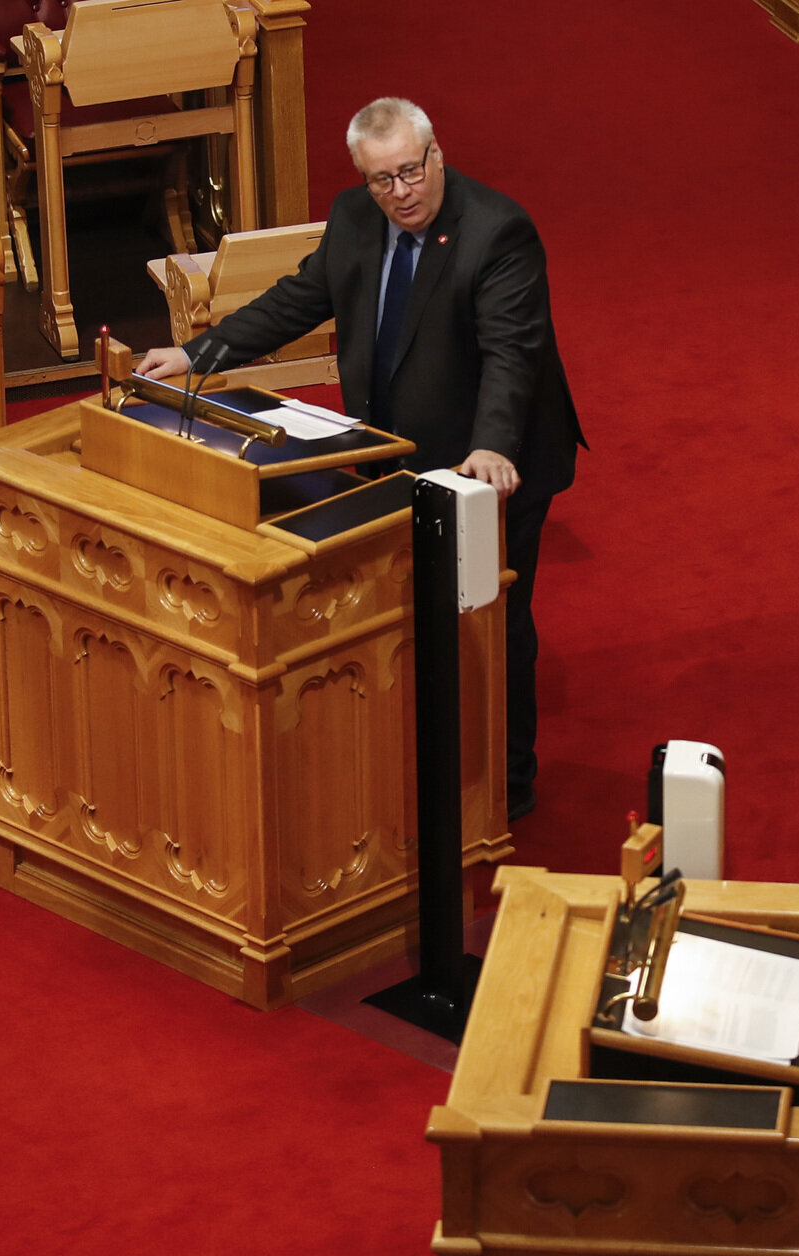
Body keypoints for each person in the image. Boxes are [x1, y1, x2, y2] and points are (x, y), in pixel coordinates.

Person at [135, 97, 583, 820]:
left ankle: (507, 780)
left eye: (411, 172)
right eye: (383, 180)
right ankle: (419, 752)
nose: (400, 192)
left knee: (492, 614)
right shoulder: (353, 218)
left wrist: (492, 445)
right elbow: (296, 300)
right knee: (408, 607)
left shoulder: (497, 231)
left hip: (493, 465)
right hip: (395, 451)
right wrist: (196, 353)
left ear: (437, 157)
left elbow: (512, 352)